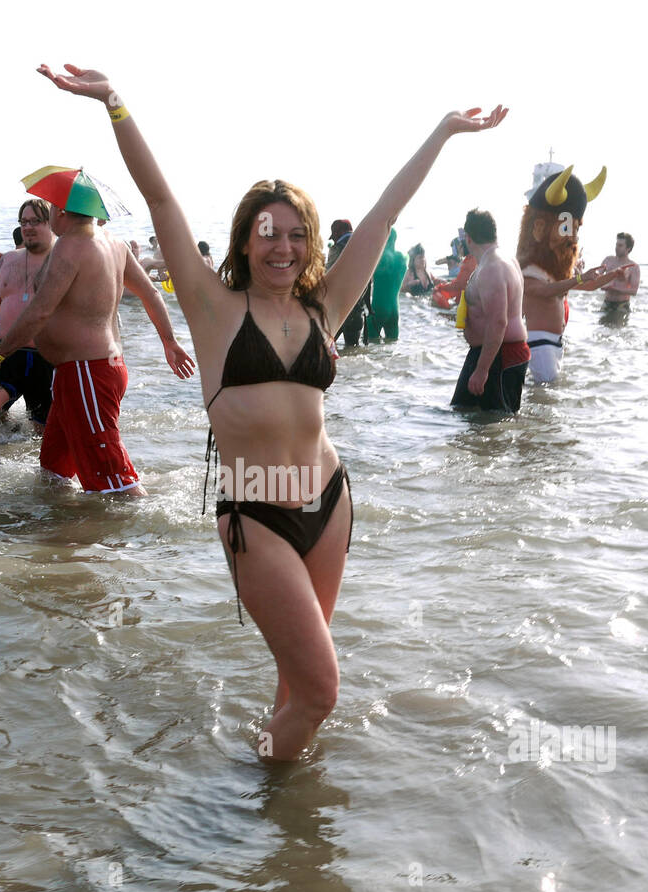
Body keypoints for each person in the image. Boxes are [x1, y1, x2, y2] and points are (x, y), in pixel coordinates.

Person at [37, 62, 507, 761]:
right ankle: (257, 789)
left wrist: (441, 133)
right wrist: (114, 103)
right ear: (245, 239)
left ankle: (284, 831)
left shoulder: (326, 306)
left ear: (309, 243)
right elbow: (161, 201)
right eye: (267, 232)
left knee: (298, 685)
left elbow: (382, 216)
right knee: (321, 691)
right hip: (256, 511)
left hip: (330, 501)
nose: (281, 246)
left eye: (294, 234)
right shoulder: (210, 306)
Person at [0, 196, 195, 483]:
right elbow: (150, 293)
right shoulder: (113, 242)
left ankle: (138, 525)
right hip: (87, 371)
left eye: (50, 207)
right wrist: (169, 340)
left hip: (87, 372)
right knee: (54, 472)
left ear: (60, 210)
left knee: (113, 481)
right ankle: (61, 526)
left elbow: (39, 312)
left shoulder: (71, 245)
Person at [516, 166, 625, 382]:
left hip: (554, 343)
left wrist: (612, 275)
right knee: (545, 396)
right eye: (566, 228)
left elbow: (585, 286)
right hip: (540, 344)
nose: (573, 238)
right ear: (538, 228)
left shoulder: (552, 274)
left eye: (576, 229)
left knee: (549, 396)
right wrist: (580, 277)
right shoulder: (529, 271)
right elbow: (545, 291)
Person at [0, 199, 58, 429]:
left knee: (44, 434)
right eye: (24, 221)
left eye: (36, 221)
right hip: (6, 352)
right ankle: (6, 434)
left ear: (51, 223)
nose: (28, 226)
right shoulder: (8, 260)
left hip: (48, 357)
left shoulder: (64, 260)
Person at [451, 209, 529, 414]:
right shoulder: (505, 260)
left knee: (493, 423)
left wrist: (482, 370)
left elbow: (498, 323)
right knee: (463, 412)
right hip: (492, 353)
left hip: (500, 355)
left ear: (468, 238)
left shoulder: (492, 267)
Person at [326, 219, 369, 346]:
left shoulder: (337, 249)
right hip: (357, 310)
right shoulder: (365, 249)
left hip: (337, 310)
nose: (333, 240)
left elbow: (328, 277)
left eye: (334, 236)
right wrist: (368, 307)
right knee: (352, 350)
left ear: (339, 232)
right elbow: (369, 281)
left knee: (325, 349)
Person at [364, 228, 406, 342]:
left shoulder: (380, 258)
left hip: (379, 307)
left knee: (370, 342)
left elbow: (367, 279)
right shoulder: (401, 258)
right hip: (395, 310)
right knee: (391, 343)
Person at [598, 231, 639, 324]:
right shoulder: (608, 260)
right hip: (606, 303)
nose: (616, 248)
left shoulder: (633, 267)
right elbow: (596, 277)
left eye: (620, 245)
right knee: (600, 330)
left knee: (618, 333)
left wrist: (615, 288)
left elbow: (634, 291)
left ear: (628, 248)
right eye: (616, 244)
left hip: (622, 306)